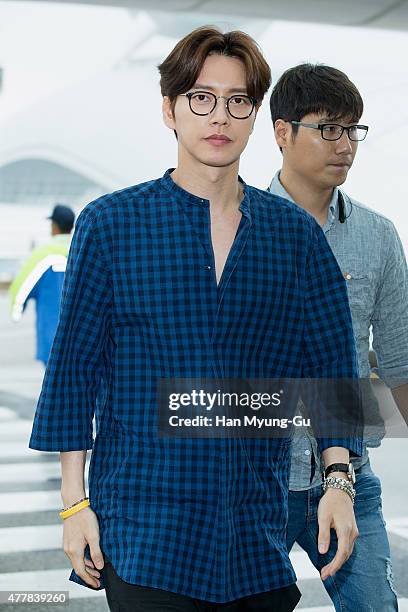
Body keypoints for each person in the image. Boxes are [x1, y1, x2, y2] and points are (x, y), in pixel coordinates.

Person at [29, 29, 362, 612]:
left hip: (256, 537)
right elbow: (74, 370)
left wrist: (338, 483)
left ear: (255, 116)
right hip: (143, 532)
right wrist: (73, 505)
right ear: (170, 109)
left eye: (238, 101)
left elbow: (332, 369)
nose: (220, 116)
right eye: (201, 97)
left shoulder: (296, 237)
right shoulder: (110, 225)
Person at [268, 63, 408, 611]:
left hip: (348, 474)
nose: (345, 144)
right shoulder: (238, 225)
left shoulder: (377, 235)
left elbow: (398, 359)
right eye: (328, 128)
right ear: (283, 133)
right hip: (257, 475)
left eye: (353, 130)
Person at [9, 203, 75, 366]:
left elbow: (21, 286)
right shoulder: (80, 250)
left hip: (51, 335)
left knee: (53, 387)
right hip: (82, 336)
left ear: (54, 226)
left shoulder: (42, 254)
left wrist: (16, 311)